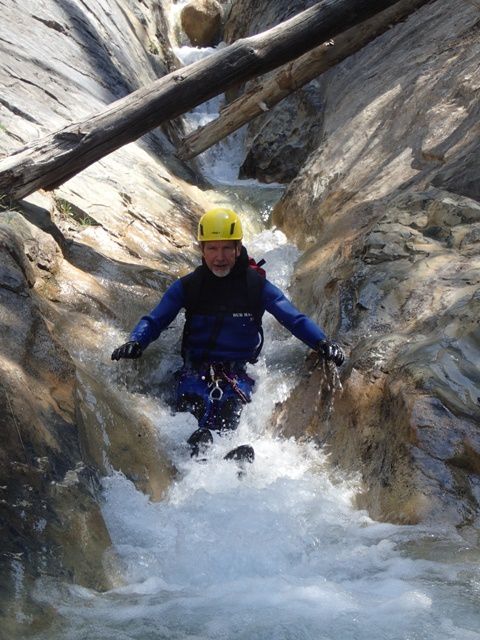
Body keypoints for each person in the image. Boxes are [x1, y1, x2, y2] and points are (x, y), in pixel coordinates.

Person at [111, 208, 344, 461]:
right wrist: (136, 340)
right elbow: (155, 320)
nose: (219, 257)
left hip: (236, 377)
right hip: (193, 374)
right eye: (212, 249)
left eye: (226, 249)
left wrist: (322, 342)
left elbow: (294, 319)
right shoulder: (189, 286)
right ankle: (195, 457)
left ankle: (231, 464)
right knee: (192, 411)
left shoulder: (256, 286)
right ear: (202, 250)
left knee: (231, 414)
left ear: (238, 248)